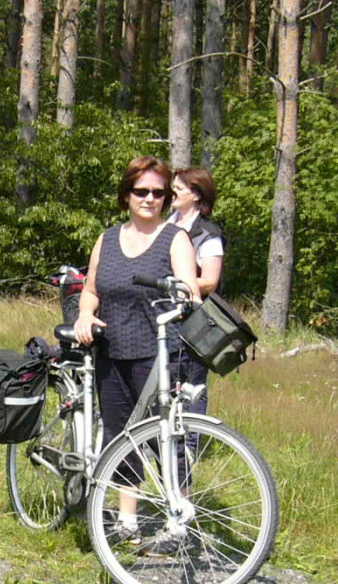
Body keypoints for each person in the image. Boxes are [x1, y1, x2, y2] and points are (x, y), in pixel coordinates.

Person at [73, 155, 200, 550]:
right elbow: (92, 289)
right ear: (126, 195)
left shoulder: (174, 238)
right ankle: (127, 522)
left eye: (158, 193)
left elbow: (189, 288)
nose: (149, 198)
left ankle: (178, 521)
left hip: (160, 350)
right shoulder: (107, 238)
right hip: (112, 349)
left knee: (168, 437)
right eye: (141, 191)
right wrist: (84, 314)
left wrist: (186, 294)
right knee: (120, 435)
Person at [167, 166, 224, 417]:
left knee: (192, 383)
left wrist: (172, 283)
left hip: (194, 321)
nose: (172, 192)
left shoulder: (208, 235)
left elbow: (210, 281)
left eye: (178, 188)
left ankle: (188, 447)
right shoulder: (164, 225)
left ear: (197, 195)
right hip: (162, 316)